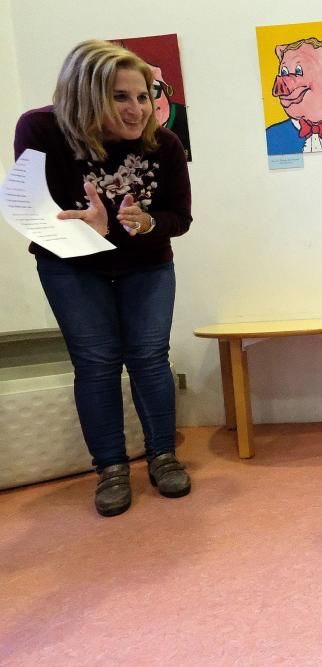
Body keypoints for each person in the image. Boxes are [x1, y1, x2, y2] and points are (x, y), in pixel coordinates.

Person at [13, 40, 193, 517]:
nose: (137, 110)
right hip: (71, 266)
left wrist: (146, 224)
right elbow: (30, 210)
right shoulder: (40, 128)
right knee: (96, 364)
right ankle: (111, 469)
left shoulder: (165, 143)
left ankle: (164, 457)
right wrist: (85, 231)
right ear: (86, 93)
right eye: (120, 97)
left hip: (146, 263)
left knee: (150, 358)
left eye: (143, 95)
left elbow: (180, 216)